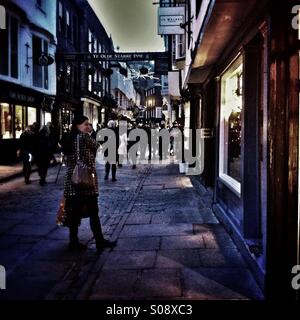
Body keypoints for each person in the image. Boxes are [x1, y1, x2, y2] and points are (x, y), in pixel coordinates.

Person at [63, 115, 116, 253]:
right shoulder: (83, 137)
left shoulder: (70, 138)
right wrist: (92, 133)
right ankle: (99, 241)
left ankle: (73, 242)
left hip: (72, 181)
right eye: (85, 124)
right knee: (93, 212)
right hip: (85, 181)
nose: (88, 127)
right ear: (77, 126)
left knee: (74, 214)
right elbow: (99, 147)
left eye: (89, 124)